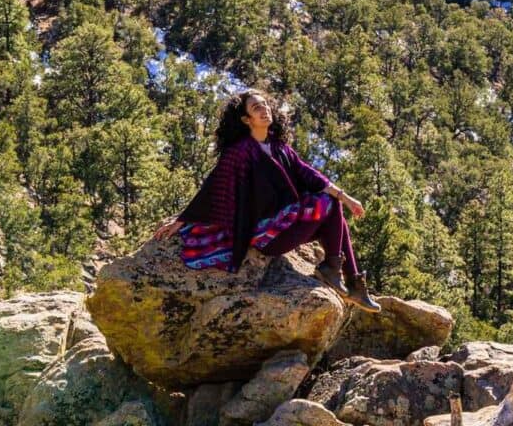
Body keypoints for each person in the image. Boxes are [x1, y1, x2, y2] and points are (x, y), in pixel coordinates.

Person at [153, 89, 381, 313]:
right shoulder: (240, 153)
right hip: (267, 237)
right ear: (246, 119)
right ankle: (335, 272)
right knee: (330, 206)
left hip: (285, 225)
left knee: (336, 214)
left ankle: (352, 281)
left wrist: (346, 197)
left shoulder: (278, 146)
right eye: (256, 108)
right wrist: (183, 219)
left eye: (265, 105)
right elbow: (213, 188)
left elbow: (309, 174)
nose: (264, 110)